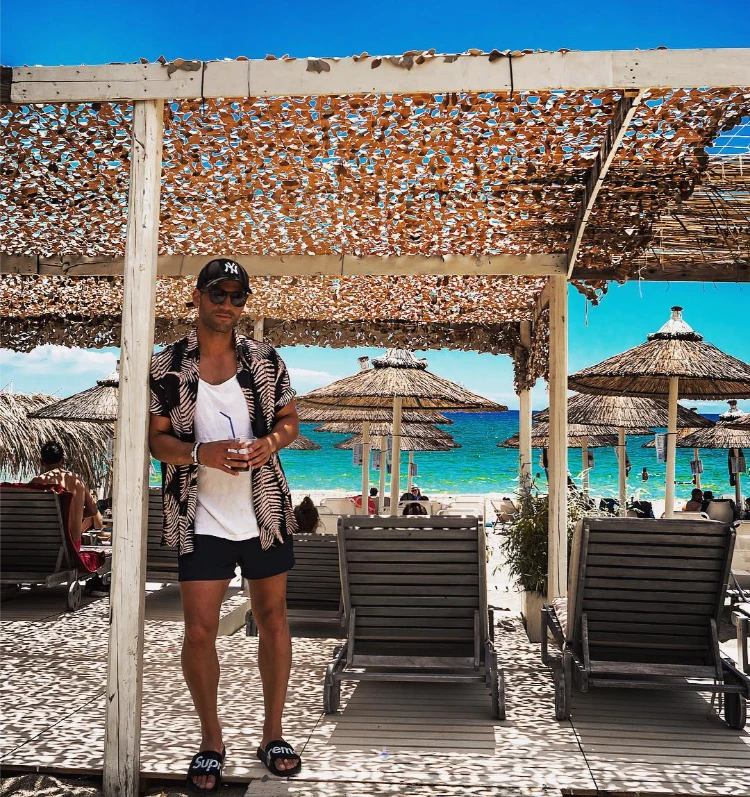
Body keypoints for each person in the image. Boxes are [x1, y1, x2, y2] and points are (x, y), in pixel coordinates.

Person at [149, 258, 301, 790]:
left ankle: (273, 733)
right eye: (219, 293)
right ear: (196, 296)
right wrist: (199, 454)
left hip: (264, 512)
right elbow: (156, 441)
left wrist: (272, 443)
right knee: (199, 630)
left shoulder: (265, 359)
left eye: (237, 296)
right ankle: (211, 739)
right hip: (201, 516)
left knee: (274, 619)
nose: (228, 304)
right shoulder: (166, 365)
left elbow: (289, 419)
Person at [31, 440, 103, 546]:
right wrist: (73, 514)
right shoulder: (77, 481)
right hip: (73, 545)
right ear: (63, 460)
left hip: (44, 545)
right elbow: (93, 510)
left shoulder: (37, 482)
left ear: (41, 462)